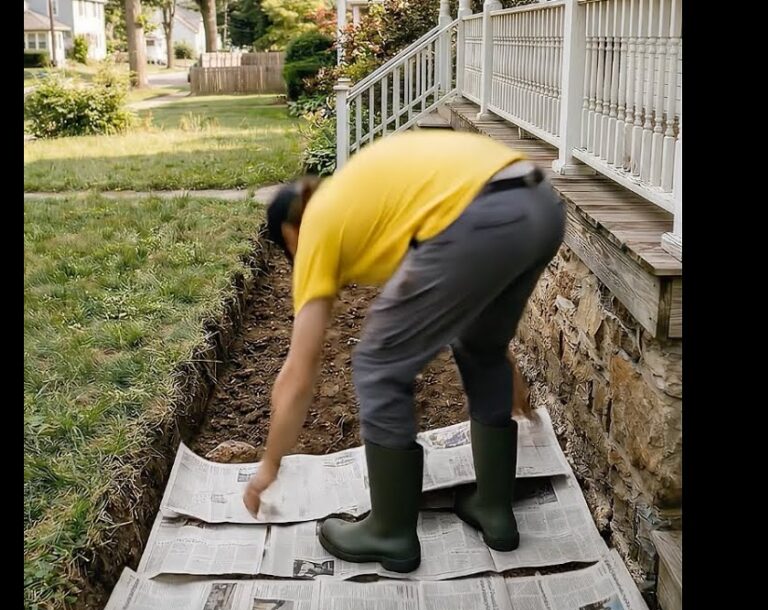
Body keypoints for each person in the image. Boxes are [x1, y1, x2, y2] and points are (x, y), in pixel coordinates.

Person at [242, 129, 566, 573]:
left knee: (378, 365)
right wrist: (505, 369)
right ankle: (494, 510)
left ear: (290, 233)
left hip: (480, 216)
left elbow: (300, 370)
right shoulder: (367, 195)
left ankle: (390, 533)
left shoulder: (317, 222)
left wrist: (269, 465)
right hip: (540, 203)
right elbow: (458, 290)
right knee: (480, 346)